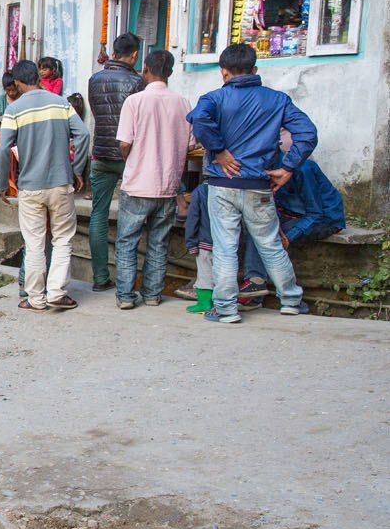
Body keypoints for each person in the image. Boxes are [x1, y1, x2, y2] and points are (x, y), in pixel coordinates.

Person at [187, 43, 317, 323]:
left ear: (223, 73)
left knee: (225, 247)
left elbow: (198, 120)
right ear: (255, 70)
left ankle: (226, 309)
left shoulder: (213, 99)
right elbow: (307, 133)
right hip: (259, 185)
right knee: (270, 244)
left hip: (222, 185)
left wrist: (219, 151)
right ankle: (291, 301)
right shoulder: (277, 100)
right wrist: (287, 168)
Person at [0, 60, 91, 311]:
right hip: (61, 184)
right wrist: (77, 169)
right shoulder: (62, 103)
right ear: (37, 77)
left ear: (17, 82)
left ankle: (36, 299)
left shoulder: (13, 110)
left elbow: (3, 149)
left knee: (34, 243)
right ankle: (57, 291)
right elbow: (83, 135)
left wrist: (3, 183)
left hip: (30, 187)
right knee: (62, 239)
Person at [112, 49, 193, 309]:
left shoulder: (134, 102)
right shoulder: (183, 103)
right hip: (168, 185)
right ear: (169, 72)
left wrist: (133, 157)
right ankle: (152, 295)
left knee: (127, 242)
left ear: (145, 68)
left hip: (137, 183)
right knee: (159, 243)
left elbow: (124, 143)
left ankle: (125, 296)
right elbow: (191, 144)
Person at [239, 138, 345, 299]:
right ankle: (255, 284)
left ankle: (261, 289)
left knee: (268, 236)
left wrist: (289, 236)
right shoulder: (260, 168)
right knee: (256, 227)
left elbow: (316, 214)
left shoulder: (303, 169)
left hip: (324, 219)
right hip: (289, 214)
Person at [86, 32, 145, 291]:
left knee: (98, 215)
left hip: (100, 154)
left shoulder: (94, 79)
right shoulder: (136, 81)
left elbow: (97, 114)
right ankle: (125, 283)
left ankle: (100, 278)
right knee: (129, 217)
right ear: (133, 55)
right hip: (128, 156)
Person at [182, 183, 215, 314]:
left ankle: (204, 303)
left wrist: (191, 242)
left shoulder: (200, 190)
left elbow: (193, 219)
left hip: (204, 242)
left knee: (204, 274)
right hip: (226, 243)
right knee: (223, 272)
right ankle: (222, 302)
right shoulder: (231, 187)